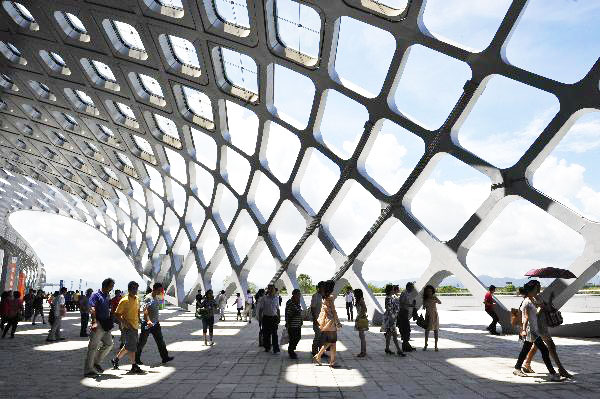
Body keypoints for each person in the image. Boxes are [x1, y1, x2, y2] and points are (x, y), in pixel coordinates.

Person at [522, 281, 572, 378]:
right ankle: (560, 369)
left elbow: (547, 308)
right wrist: (540, 308)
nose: (540, 287)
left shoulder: (539, 297)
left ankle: (526, 364)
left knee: (535, 346)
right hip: (538, 327)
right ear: (534, 287)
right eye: (538, 286)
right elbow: (532, 315)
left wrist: (550, 299)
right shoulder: (529, 299)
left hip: (542, 325)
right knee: (551, 347)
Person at [514, 281, 560, 381]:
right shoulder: (527, 302)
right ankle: (552, 374)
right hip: (531, 331)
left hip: (534, 330)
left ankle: (517, 368)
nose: (538, 290)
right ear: (531, 290)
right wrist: (523, 330)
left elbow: (536, 313)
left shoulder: (532, 300)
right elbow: (525, 317)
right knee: (544, 350)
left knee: (525, 349)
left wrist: (544, 304)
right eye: (536, 288)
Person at [136, 282, 174, 364]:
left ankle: (165, 357)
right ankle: (136, 358)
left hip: (156, 324)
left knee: (160, 341)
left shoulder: (156, 297)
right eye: (159, 290)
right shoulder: (148, 298)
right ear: (154, 289)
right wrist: (148, 321)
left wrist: (156, 320)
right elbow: (145, 310)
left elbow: (155, 310)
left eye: (161, 290)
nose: (160, 292)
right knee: (142, 342)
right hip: (147, 324)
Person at [84, 278, 115, 377]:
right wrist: (93, 322)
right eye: (111, 286)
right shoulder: (95, 295)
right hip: (98, 323)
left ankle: (96, 362)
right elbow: (92, 309)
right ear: (105, 285)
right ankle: (88, 370)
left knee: (109, 344)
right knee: (93, 347)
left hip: (106, 324)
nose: (112, 288)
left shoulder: (107, 295)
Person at [111, 281, 144, 374]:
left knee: (128, 346)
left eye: (136, 289)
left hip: (135, 325)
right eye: (133, 289)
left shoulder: (137, 298)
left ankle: (115, 359)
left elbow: (137, 309)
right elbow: (117, 314)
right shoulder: (124, 300)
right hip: (128, 327)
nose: (135, 290)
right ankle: (134, 365)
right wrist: (125, 323)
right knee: (132, 346)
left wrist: (139, 319)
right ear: (129, 289)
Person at [313, 280, 342, 367]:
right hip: (331, 322)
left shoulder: (324, 297)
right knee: (331, 342)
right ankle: (318, 356)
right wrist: (338, 322)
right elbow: (333, 311)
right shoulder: (330, 298)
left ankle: (332, 361)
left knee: (332, 342)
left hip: (326, 322)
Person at [382, 284, 405, 356]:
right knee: (394, 335)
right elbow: (388, 307)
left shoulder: (391, 297)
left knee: (389, 334)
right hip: (391, 319)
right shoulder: (389, 298)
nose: (393, 290)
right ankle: (399, 350)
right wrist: (393, 314)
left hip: (391, 318)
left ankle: (387, 348)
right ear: (390, 290)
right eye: (392, 289)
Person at [259, 284, 280, 353]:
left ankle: (275, 348)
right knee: (266, 334)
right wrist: (260, 319)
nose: (271, 290)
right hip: (266, 318)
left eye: (272, 289)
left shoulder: (277, 298)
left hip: (274, 318)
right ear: (268, 289)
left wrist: (279, 318)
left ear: (274, 290)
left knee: (274, 334)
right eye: (270, 289)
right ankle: (267, 347)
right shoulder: (264, 298)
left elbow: (277, 309)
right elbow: (261, 309)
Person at [398, 282, 417, 352]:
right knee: (406, 329)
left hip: (405, 312)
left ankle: (406, 346)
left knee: (407, 330)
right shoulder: (404, 293)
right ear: (408, 287)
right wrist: (410, 305)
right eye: (412, 287)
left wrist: (411, 305)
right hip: (403, 312)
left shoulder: (408, 294)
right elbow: (401, 303)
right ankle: (405, 346)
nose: (413, 288)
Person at [285, 289, 303, 359]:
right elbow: (289, 314)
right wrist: (288, 323)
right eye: (298, 294)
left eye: (300, 294)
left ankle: (292, 349)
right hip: (292, 325)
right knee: (293, 338)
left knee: (298, 337)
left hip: (297, 324)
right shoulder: (290, 303)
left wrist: (301, 320)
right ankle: (291, 351)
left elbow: (299, 312)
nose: (299, 296)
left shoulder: (297, 302)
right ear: (294, 295)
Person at [422, 285, 441, 351]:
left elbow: (440, 302)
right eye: (428, 291)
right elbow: (424, 307)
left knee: (436, 330)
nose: (429, 292)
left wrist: (435, 299)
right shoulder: (425, 299)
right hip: (428, 315)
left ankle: (436, 346)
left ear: (432, 291)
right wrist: (425, 305)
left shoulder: (434, 297)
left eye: (430, 291)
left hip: (434, 315)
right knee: (427, 331)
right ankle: (425, 344)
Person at [310, 281, 325, 356]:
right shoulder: (315, 296)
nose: (323, 288)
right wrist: (314, 319)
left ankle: (321, 352)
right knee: (318, 336)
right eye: (322, 287)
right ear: (319, 288)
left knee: (323, 337)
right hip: (317, 320)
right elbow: (312, 308)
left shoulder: (325, 296)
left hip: (324, 320)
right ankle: (314, 351)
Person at [354, 288, 368, 357]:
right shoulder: (360, 299)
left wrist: (359, 316)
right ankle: (363, 351)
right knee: (361, 336)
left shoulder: (361, 300)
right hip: (360, 318)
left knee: (362, 336)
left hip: (361, 319)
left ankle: (363, 352)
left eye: (355, 293)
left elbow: (365, 309)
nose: (354, 294)